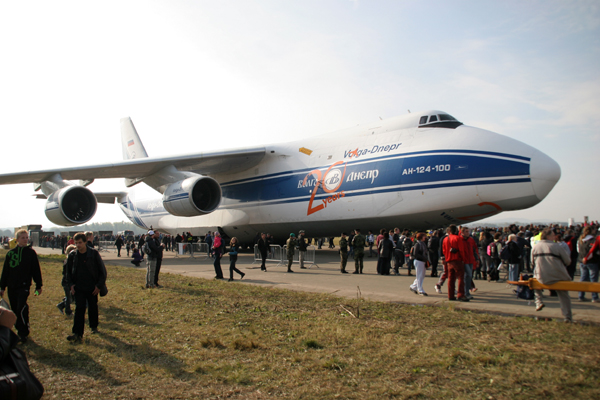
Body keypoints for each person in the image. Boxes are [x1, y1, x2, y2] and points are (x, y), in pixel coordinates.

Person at [0, 229, 43, 343]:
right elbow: (5, 271)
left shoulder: (31, 253)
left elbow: (36, 270)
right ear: (17, 239)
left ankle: (24, 332)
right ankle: (19, 330)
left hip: (24, 286)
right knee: (14, 310)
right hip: (11, 286)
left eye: (26, 237)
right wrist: (2, 287)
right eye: (22, 238)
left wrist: (39, 285)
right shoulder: (11, 253)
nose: (25, 239)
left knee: (21, 307)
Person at [66, 232, 107, 341]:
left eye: (80, 242)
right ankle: (77, 333)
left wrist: (98, 286)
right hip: (78, 287)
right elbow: (68, 273)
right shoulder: (72, 255)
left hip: (92, 287)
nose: (78, 245)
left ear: (85, 242)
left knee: (93, 307)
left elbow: (102, 271)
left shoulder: (93, 254)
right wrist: (71, 285)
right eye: (76, 243)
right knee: (79, 309)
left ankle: (94, 326)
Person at [531, 228, 573, 322]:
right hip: (558, 276)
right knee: (563, 295)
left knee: (534, 281)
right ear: (548, 236)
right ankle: (567, 316)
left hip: (541, 276)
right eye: (553, 235)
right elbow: (568, 261)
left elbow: (532, 263)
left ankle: (538, 302)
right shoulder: (556, 246)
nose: (554, 237)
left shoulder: (535, 247)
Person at [442, 225, 468, 301]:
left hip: (449, 261)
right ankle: (460, 295)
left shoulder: (445, 239)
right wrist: (464, 260)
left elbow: (444, 250)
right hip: (457, 260)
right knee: (460, 278)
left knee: (450, 278)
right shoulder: (458, 238)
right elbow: (461, 250)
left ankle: (450, 295)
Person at [577, 227, 599, 303]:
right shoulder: (593, 240)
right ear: (591, 231)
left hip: (581, 261)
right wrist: (586, 258)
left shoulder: (580, 240)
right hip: (591, 262)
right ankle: (594, 297)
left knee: (583, 278)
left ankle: (581, 295)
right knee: (593, 280)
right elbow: (591, 252)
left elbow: (578, 250)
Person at [57, 244, 77, 316]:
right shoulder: (67, 262)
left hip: (69, 282)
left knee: (71, 298)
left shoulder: (71, 262)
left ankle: (61, 305)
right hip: (66, 282)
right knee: (69, 298)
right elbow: (65, 273)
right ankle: (68, 311)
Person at [461, 227, 478, 298]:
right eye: (466, 232)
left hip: (471, 260)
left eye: (468, 231)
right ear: (462, 232)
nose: (468, 233)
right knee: (468, 275)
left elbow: (474, 249)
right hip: (464, 261)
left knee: (469, 276)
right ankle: (465, 292)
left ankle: (467, 292)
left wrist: (477, 258)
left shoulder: (471, 240)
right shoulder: (460, 240)